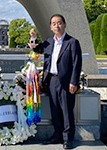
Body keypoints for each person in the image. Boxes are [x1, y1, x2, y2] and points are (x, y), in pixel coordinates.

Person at [29, 14, 82, 149]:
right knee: (55, 110)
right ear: (50, 27)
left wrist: (74, 82)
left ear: (64, 25)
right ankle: (57, 134)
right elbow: (36, 48)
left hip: (66, 81)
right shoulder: (48, 41)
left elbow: (77, 64)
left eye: (59, 23)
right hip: (51, 80)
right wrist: (33, 37)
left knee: (66, 110)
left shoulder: (72, 42)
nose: (56, 26)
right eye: (54, 23)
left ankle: (68, 138)